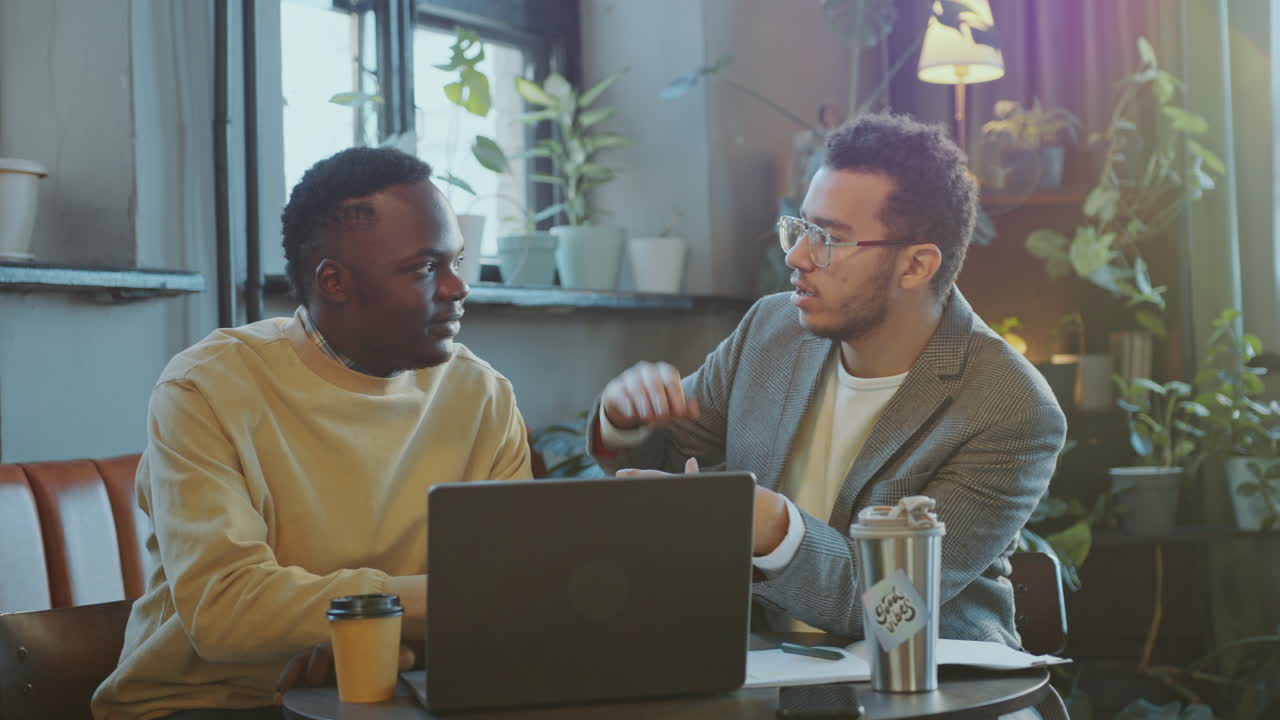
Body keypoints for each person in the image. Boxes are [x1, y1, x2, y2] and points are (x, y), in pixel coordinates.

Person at [590, 113, 1067, 648]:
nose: (795, 257)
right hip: (754, 669)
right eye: (800, 228)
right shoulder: (771, 328)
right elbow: (666, 471)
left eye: (828, 239)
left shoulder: (1011, 407)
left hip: (929, 684)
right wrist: (624, 419)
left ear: (916, 266)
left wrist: (772, 525)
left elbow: (895, 607)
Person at [92, 147, 531, 720]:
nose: (457, 287)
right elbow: (226, 613)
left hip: (390, 698)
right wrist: (384, 617)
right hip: (208, 705)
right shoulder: (206, 389)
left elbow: (518, 594)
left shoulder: (483, 397)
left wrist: (375, 643)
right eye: (425, 268)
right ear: (335, 282)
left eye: (457, 262)